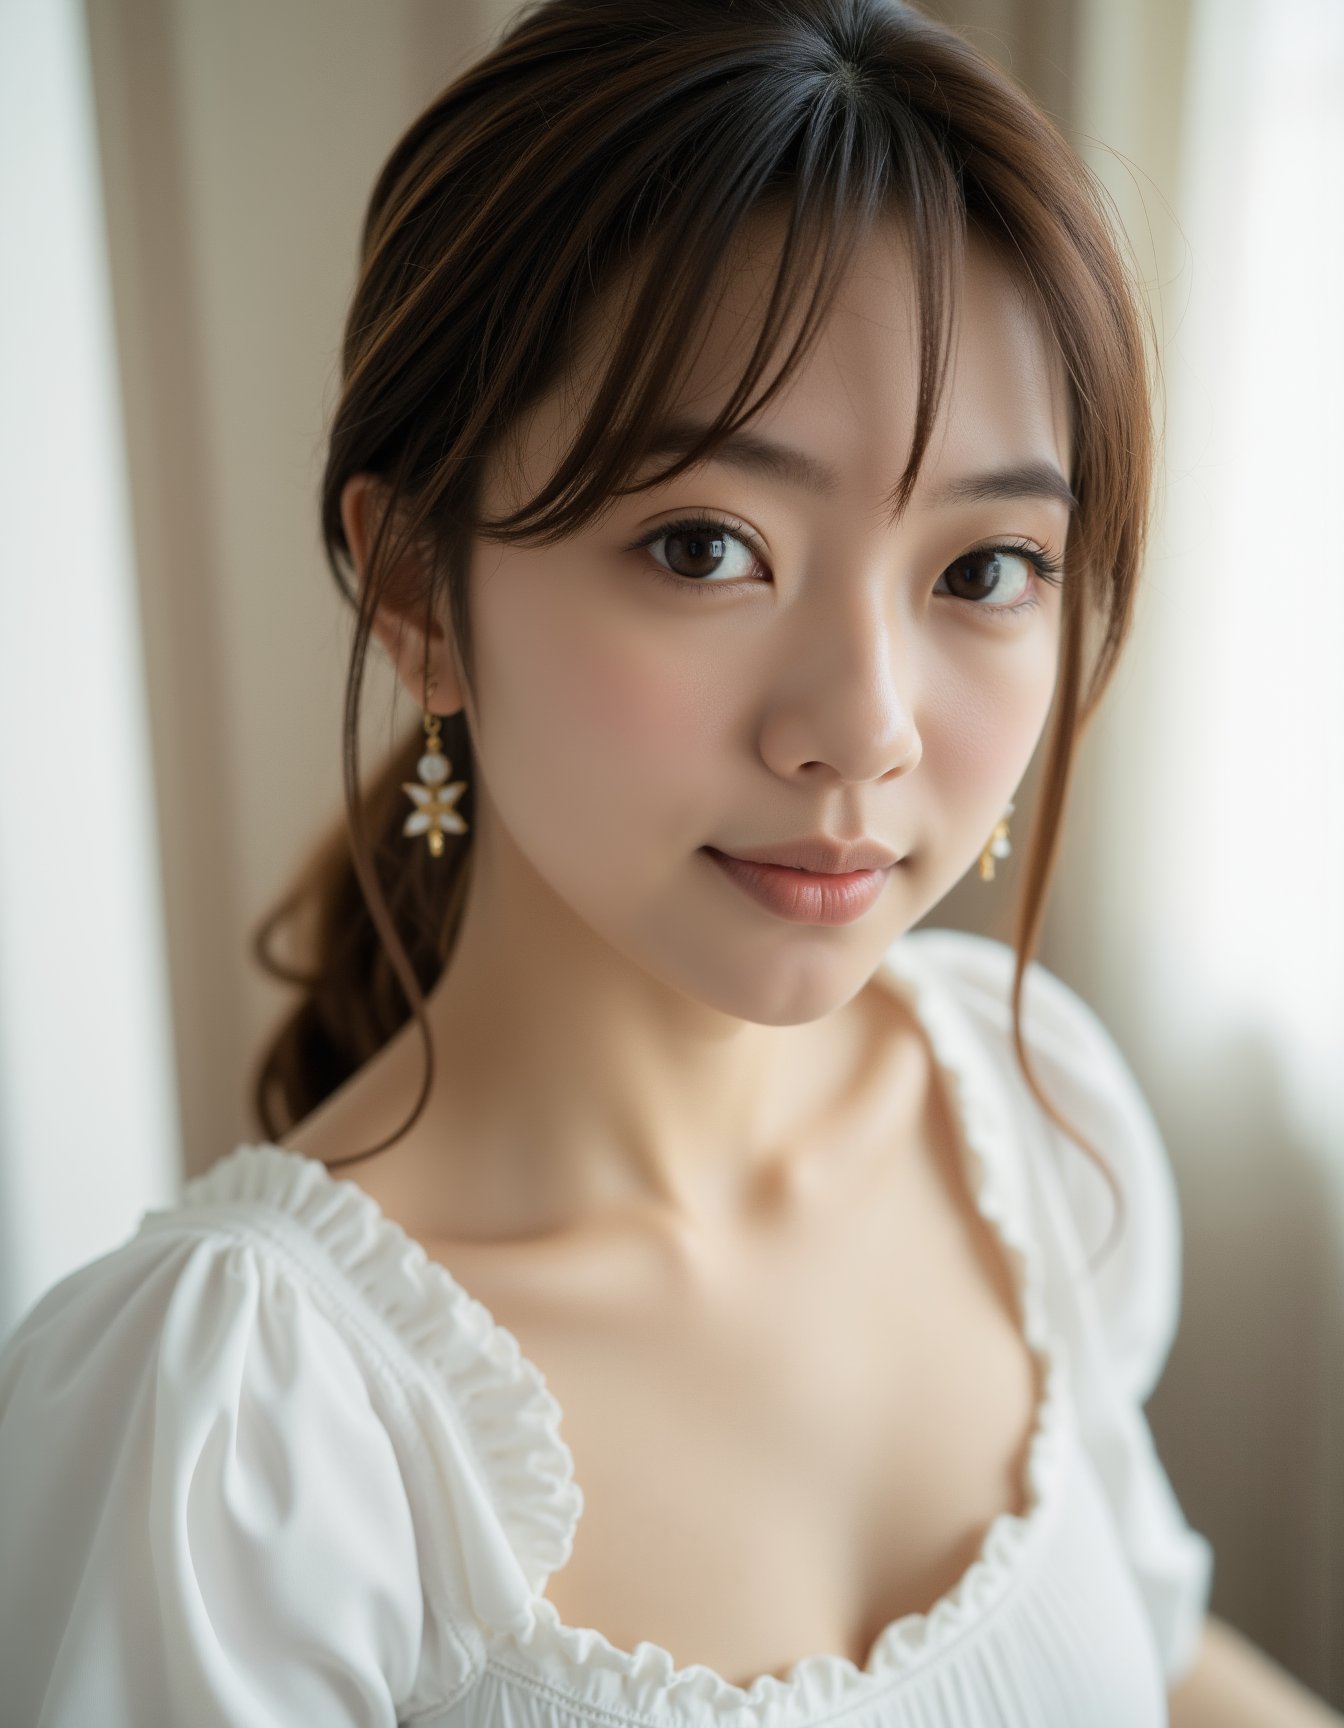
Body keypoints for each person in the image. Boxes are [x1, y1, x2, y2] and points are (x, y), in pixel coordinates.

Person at [1, 1, 1338, 1723]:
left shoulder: (1020, 1115)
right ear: (415, 588)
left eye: (987, 568)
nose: (861, 728)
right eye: (708, 545)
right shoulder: (240, 1431)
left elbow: (1152, 1664)